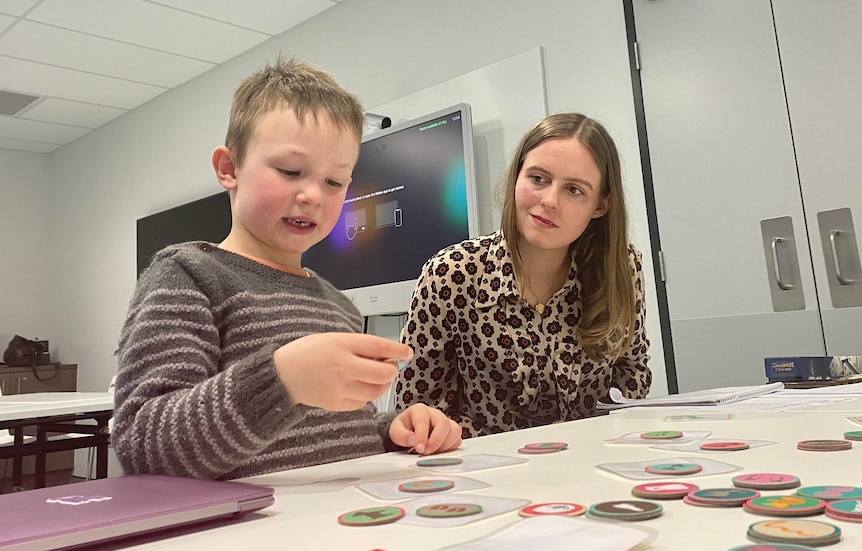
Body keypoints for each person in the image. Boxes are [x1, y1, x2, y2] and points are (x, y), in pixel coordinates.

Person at [113, 57, 462, 480]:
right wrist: (281, 381)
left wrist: (392, 431)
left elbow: (329, 435)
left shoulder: (338, 306)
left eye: (335, 182)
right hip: (246, 539)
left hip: (337, 526)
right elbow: (144, 447)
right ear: (229, 168)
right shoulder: (187, 275)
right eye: (290, 171)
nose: (314, 195)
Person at [394, 112, 651, 437]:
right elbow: (415, 407)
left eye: (574, 190)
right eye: (538, 179)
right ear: (517, 177)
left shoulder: (621, 267)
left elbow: (633, 371)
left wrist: (587, 433)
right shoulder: (452, 273)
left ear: (600, 206)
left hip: (590, 464)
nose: (549, 200)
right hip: (484, 472)